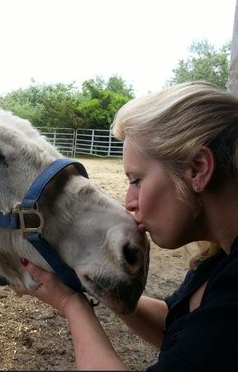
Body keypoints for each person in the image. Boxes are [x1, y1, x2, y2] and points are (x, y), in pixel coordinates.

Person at [14, 81, 238, 371]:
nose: (129, 201)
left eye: (136, 180)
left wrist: (71, 303)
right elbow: (176, 325)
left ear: (197, 167)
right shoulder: (220, 257)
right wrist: (97, 285)